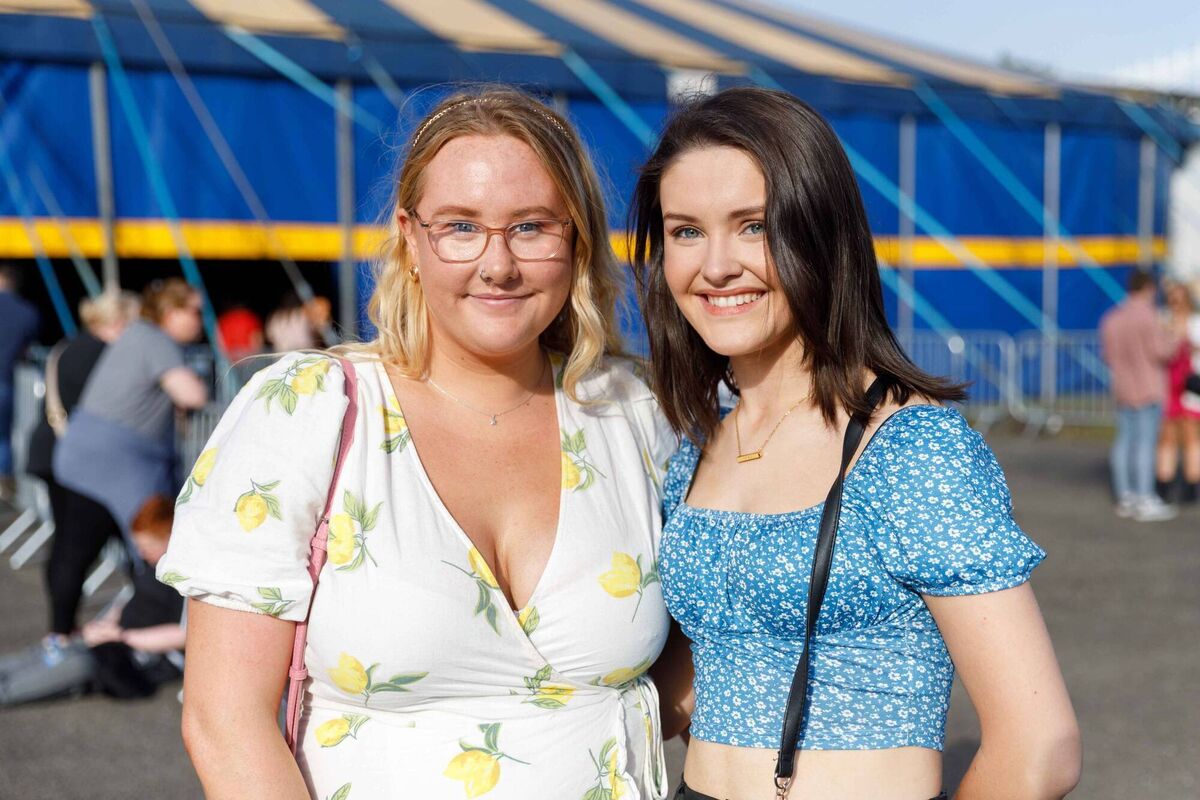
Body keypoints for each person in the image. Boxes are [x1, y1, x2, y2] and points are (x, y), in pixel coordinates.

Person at [157, 89, 677, 799]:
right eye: (461, 227)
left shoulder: (634, 412)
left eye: (530, 227)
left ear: (577, 239)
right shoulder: (309, 409)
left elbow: (722, 650)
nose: (497, 264)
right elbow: (224, 720)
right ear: (409, 235)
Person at [630, 87, 1081, 800]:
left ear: (821, 231)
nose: (714, 267)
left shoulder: (910, 449)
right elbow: (694, 685)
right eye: (686, 231)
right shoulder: (698, 445)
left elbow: (1039, 748)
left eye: (753, 226)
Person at [19, 290, 140, 665]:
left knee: (67, 545)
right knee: (79, 547)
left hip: (52, 453)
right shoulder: (104, 356)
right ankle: (63, 630)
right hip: (81, 462)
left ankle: (60, 629)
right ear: (118, 319)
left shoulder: (68, 348)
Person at [53, 278, 208, 547]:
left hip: (87, 453)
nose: (200, 320)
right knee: (155, 541)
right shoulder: (157, 341)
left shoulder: (137, 335)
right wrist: (203, 384)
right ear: (172, 313)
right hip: (120, 458)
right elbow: (192, 395)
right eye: (195, 311)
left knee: (77, 546)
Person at [0, 494, 185, 706]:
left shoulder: (185, 581)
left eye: (147, 546)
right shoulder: (155, 567)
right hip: (108, 643)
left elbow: (183, 634)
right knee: (44, 653)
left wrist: (121, 636)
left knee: (37, 676)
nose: (142, 554)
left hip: (127, 658)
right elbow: (131, 599)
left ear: (169, 537)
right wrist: (106, 623)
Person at [1099, 270, 1182, 521]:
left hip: (1122, 386)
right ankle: (1144, 496)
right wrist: (1176, 338)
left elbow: (1108, 355)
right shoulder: (1149, 316)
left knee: (1124, 442)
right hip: (1147, 386)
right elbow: (1161, 351)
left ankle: (1126, 496)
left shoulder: (1112, 317)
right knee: (1145, 444)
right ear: (1149, 288)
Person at [1155, 281, 1200, 503]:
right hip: (1167, 383)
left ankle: (1191, 484)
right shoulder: (1163, 319)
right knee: (1167, 436)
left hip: (1190, 384)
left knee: (1191, 434)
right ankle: (1165, 482)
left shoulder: (1195, 323)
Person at [0, 263, 41, 505]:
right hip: (5, 379)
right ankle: (4, 485)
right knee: (3, 438)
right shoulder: (27, 312)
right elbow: (28, 347)